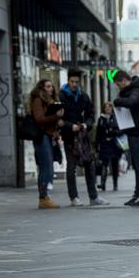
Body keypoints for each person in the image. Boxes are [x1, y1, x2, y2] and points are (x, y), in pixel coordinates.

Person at [59, 69, 107, 206]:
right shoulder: (61, 96)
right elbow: (58, 118)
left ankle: (94, 197)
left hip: (82, 135)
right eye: (72, 82)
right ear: (68, 81)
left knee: (89, 164)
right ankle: (74, 198)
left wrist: (87, 124)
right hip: (69, 136)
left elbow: (91, 114)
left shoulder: (83, 96)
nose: (74, 84)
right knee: (71, 167)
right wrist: (69, 126)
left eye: (77, 82)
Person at [113, 70, 139, 206]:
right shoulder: (136, 89)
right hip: (135, 132)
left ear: (124, 80)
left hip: (138, 133)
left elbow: (131, 102)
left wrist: (117, 100)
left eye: (119, 85)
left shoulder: (136, 90)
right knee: (137, 165)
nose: (119, 88)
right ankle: (138, 194)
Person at [29, 79, 64, 209]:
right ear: (42, 88)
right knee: (46, 168)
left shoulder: (50, 100)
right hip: (41, 136)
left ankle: (44, 197)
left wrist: (57, 122)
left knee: (47, 167)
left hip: (48, 136)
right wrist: (55, 116)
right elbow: (39, 119)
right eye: (48, 86)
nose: (51, 89)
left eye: (52, 86)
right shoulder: (38, 99)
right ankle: (43, 198)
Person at [96, 102, 122, 192]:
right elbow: (98, 133)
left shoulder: (116, 118)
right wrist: (98, 144)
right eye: (106, 107)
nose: (108, 108)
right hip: (104, 144)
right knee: (104, 164)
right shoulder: (101, 119)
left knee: (114, 165)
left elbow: (121, 131)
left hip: (114, 144)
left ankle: (115, 184)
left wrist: (113, 133)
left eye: (109, 107)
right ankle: (103, 184)